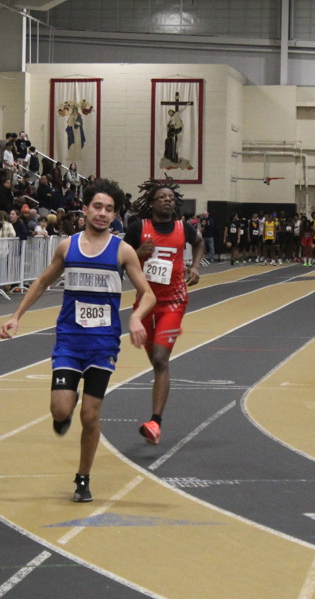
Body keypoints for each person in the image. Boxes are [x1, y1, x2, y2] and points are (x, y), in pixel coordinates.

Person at [0, 179, 155, 503]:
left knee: (90, 416)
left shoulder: (122, 251)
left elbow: (148, 293)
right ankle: (65, 411)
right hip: (69, 341)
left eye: (109, 209)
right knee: (60, 411)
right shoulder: (67, 247)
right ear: (85, 209)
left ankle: (83, 478)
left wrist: (136, 317)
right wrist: (17, 316)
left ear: (115, 215)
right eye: (97, 206)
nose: (102, 213)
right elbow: (42, 282)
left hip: (103, 344)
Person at [124, 179, 203, 445]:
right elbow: (121, 259)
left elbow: (199, 242)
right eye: (162, 197)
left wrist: (195, 266)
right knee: (156, 362)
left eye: (171, 197)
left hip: (173, 301)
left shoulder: (183, 228)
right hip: (146, 303)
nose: (168, 200)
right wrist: (138, 252)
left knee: (160, 360)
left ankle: (155, 423)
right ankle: (155, 422)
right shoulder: (138, 228)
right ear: (152, 203)